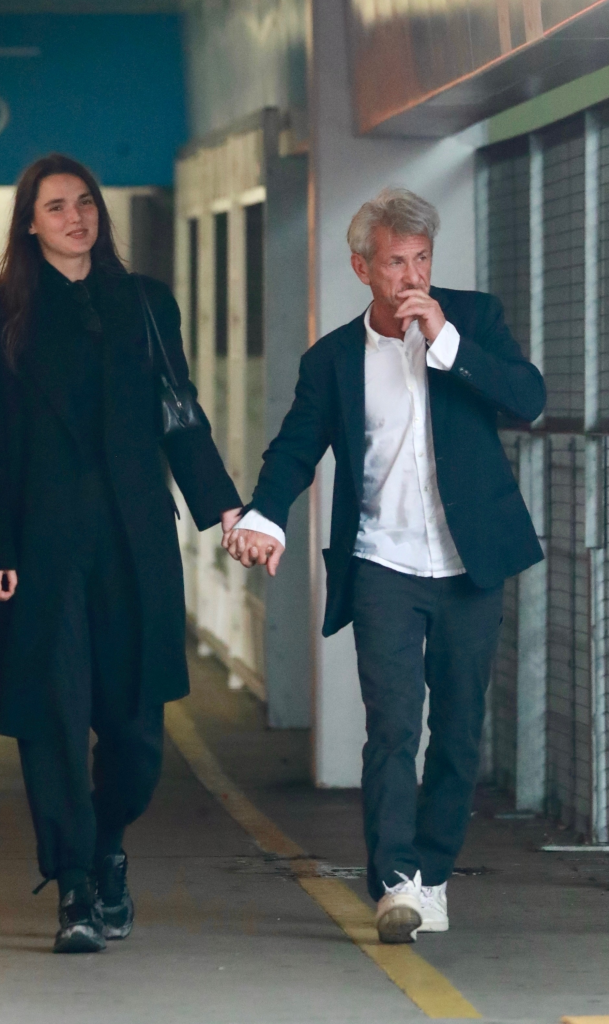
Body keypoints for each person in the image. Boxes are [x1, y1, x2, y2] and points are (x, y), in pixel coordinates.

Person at [223, 187, 545, 943]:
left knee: (460, 729)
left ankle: (434, 876)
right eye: (395, 262)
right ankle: (394, 880)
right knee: (394, 724)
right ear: (361, 267)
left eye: (421, 260)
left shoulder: (473, 317)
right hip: (382, 565)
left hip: (469, 565)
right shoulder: (331, 360)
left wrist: (449, 343)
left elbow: (526, 396)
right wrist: (265, 514)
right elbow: (296, 447)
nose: (411, 277)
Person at [0, 154, 243, 954]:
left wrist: (224, 509)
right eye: (56, 207)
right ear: (29, 223)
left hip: (131, 540)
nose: (75, 217)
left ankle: (108, 841)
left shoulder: (146, 306)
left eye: (85, 203)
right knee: (51, 715)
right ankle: (75, 884)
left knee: (135, 726)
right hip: (38, 551)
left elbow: (182, 419)